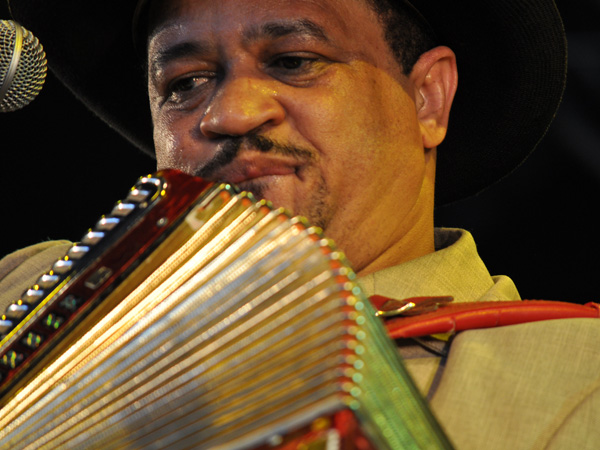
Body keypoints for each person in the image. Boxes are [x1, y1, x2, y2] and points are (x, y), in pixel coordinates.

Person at [2, 0, 599, 448]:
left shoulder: (578, 377)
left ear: (427, 98)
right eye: (185, 84)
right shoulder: (44, 300)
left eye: (293, 62)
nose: (230, 114)